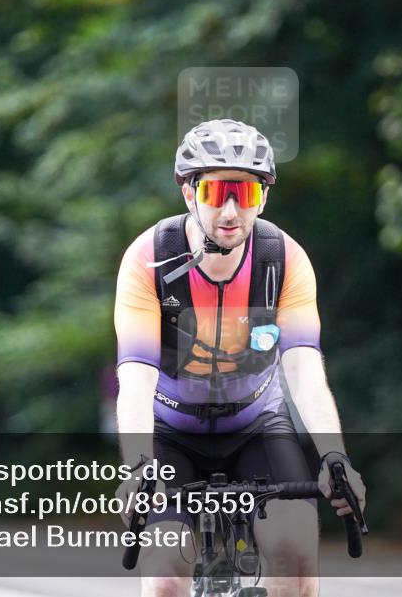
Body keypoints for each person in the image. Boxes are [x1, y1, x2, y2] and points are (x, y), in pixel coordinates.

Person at [114, 119, 366, 597]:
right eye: (215, 192)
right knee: (166, 575)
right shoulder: (149, 259)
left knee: (296, 558)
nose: (230, 211)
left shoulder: (283, 258)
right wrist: (138, 465)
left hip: (257, 423)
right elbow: (136, 376)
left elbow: (304, 369)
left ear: (263, 198)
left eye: (245, 193)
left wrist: (335, 456)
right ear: (189, 193)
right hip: (170, 431)